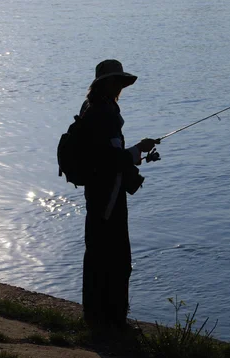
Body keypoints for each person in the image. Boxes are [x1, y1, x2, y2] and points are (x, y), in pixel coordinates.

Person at [79, 59, 158, 330]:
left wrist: (134, 153)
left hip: (96, 192)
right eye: (116, 82)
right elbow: (111, 160)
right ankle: (112, 322)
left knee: (97, 255)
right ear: (105, 84)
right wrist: (138, 150)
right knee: (116, 260)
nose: (120, 87)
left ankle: (95, 316)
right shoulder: (104, 113)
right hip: (109, 196)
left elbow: (107, 156)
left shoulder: (92, 107)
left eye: (121, 83)